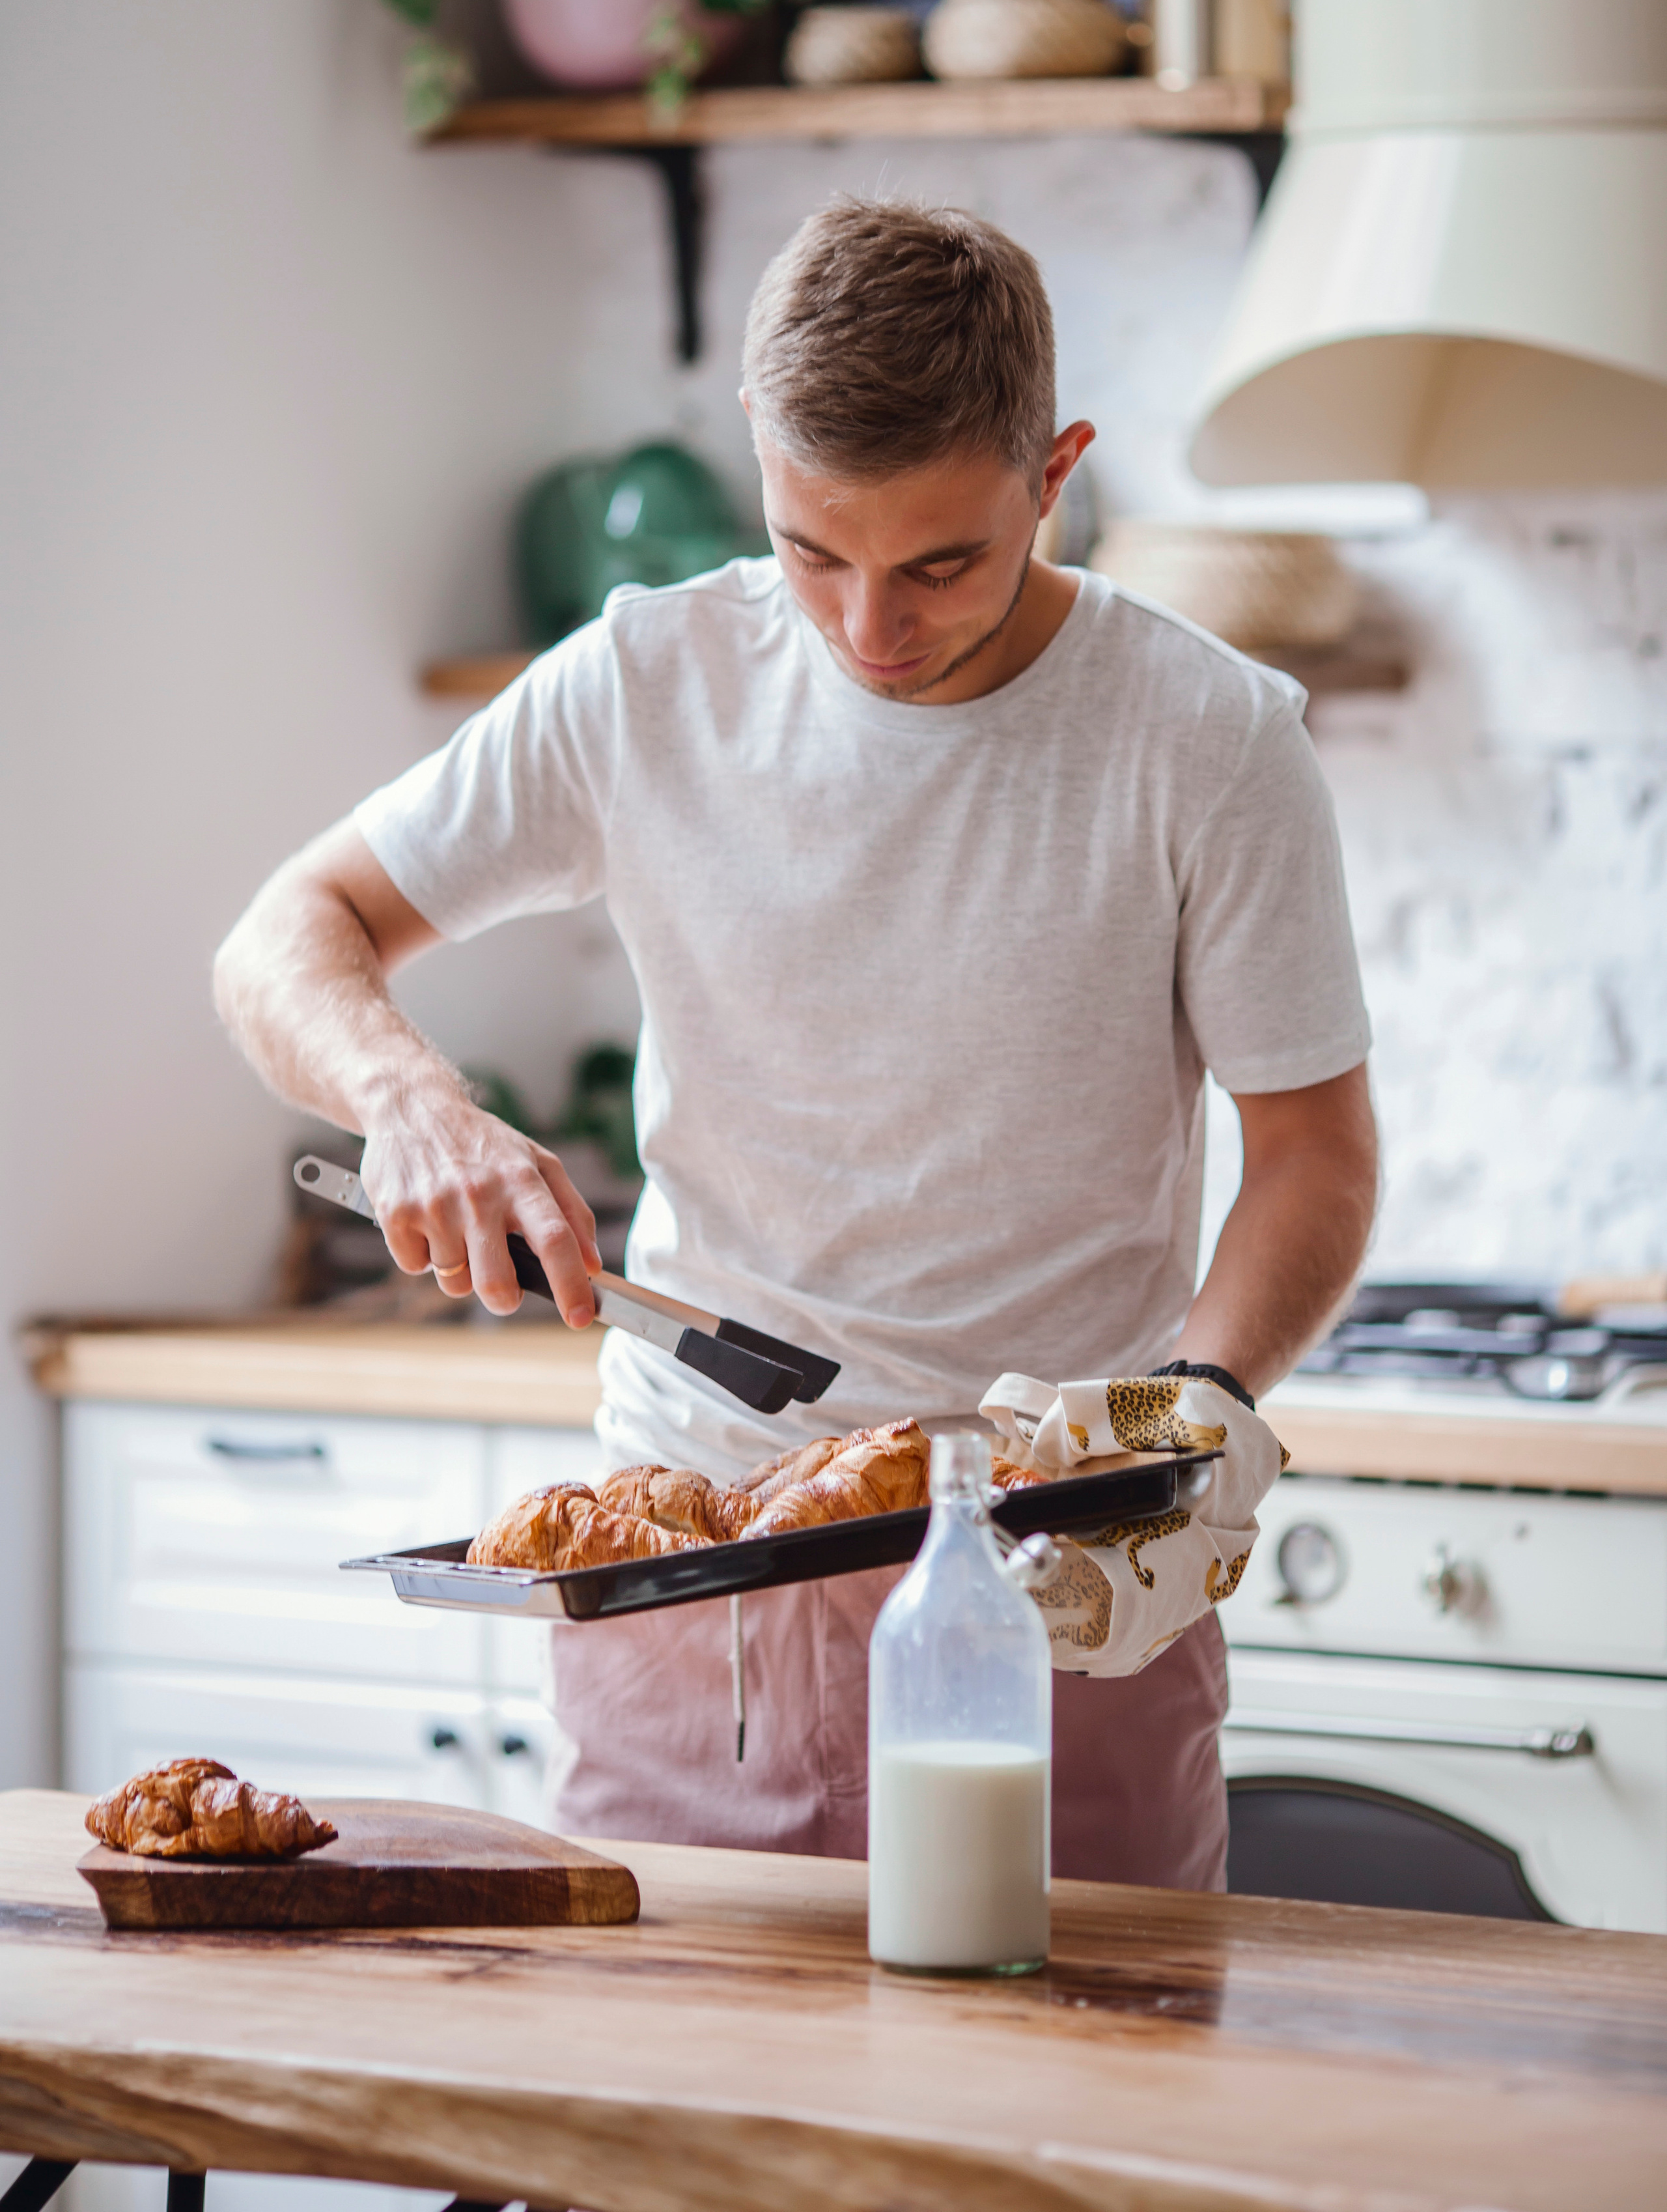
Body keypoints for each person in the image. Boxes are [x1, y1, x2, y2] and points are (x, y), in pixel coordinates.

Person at [215, 197, 1378, 1889]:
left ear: (1056, 475)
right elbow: (287, 934)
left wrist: (1198, 1409)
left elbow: (1315, 1153)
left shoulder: (1208, 738)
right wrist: (407, 1099)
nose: (867, 633)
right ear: (759, 454)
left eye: (939, 564)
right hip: (694, 1567)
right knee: (671, 2127)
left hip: (1062, 1576)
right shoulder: (641, 681)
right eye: (810, 553)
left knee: (1066, 2127)